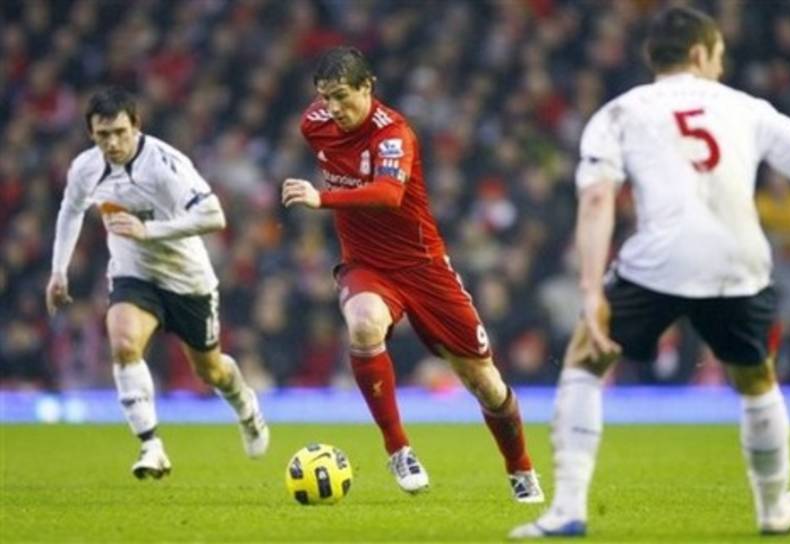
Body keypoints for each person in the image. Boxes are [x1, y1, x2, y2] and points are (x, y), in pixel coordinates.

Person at [510, 6, 790, 538]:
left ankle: (567, 510)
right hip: (739, 263)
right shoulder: (747, 108)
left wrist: (591, 290)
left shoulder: (620, 112)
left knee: (585, 360)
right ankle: (774, 509)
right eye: (719, 56)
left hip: (658, 262)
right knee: (757, 379)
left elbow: (597, 200)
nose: (720, 67)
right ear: (701, 53)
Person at [282, 46, 544, 503]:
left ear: (368, 86)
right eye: (325, 97)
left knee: (484, 382)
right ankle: (398, 450)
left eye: (342, 96)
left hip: (424, 268)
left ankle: (520, 468)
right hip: (366, 264)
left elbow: (388, 194)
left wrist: (321, 198)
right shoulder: (314, 124)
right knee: (364, 324)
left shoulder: (394, 134)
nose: (333, 108)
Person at [46, 87, 270, 479]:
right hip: (134, 274)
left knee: (211, 371)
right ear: (90, 133)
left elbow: (214, 216)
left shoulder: (166, 164)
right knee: (123, 344)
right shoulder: (85, 168)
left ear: (136, 125)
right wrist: (59, 270)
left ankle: (246, 407)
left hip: (187, 279)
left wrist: (148, 231)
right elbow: (71, 210)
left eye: (120, 132)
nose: (112, 143)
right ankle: (151, 446)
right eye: (103, 135)